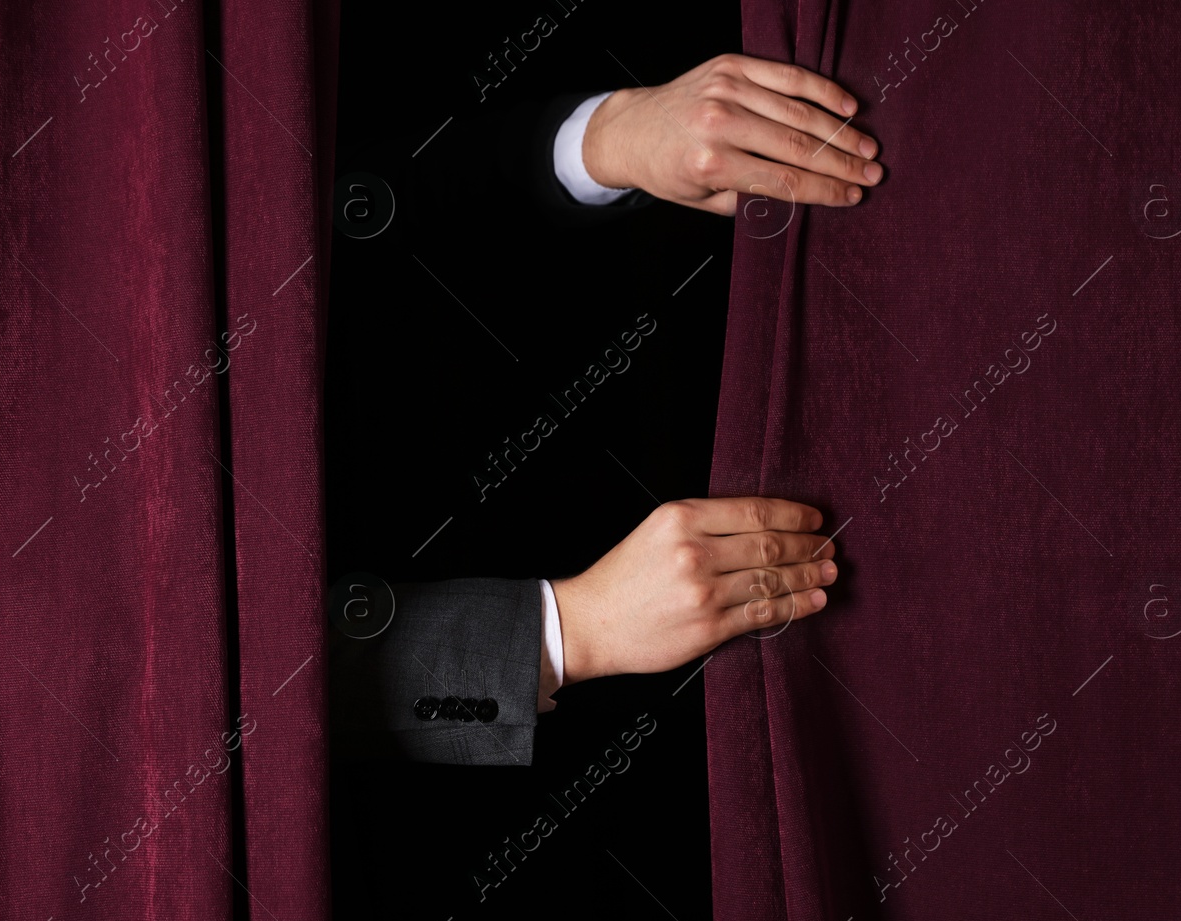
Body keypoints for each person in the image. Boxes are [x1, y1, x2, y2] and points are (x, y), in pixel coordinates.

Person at [331, 53, 883, 764]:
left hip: (584, 315)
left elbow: (318, 216)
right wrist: (571, 629)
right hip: (586, 725)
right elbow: (226, 700)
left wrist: (602, 138)